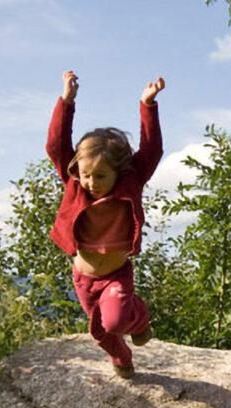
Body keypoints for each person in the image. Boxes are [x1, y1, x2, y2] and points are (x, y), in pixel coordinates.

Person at [46, 69, 165, 378]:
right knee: (101, 333)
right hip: (83, 279)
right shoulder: (75, 183)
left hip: (115, 275)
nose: (91, 183)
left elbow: (151, 151)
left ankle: (138, 318)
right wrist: (66, 101)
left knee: (114, 321)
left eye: (100, 176)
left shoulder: (131, 182)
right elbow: (57, 145)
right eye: (86, 175)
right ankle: (122, 360)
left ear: (118, 172)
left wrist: (147, 106)